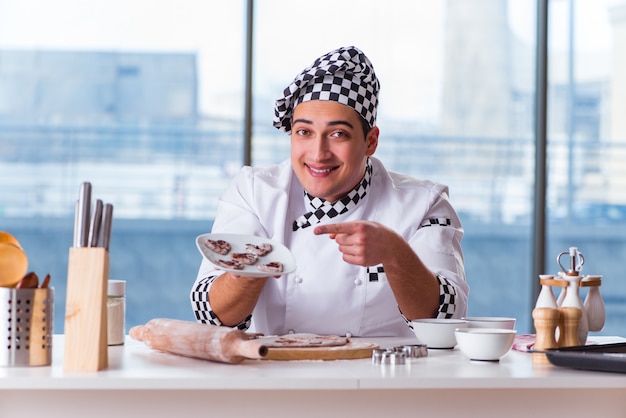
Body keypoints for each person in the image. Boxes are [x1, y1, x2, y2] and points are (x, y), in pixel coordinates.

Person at [191, 46, 469, 337]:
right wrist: (254, 268)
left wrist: (395, 254)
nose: (319, 153)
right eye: (304, 132)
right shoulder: (254, 192)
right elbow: (211, 317)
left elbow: (447, 320)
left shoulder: (424, 204)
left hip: (384, 376)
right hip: (276, 374)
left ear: (371, 141)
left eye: (338, 134)